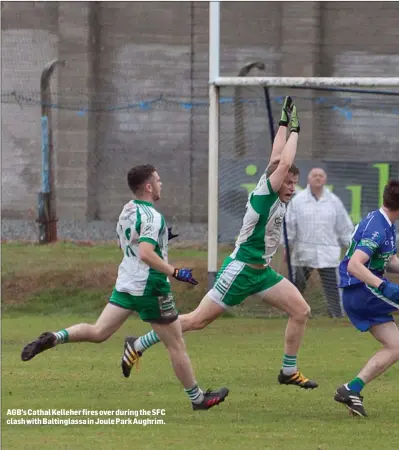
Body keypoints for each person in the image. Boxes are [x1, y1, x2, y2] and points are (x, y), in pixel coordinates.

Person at [122, 97, 318, 390]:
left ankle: (288, 370)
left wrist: (283, 124)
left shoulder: (273, 189)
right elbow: (284, 162)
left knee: (301, 310)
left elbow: (277, 158)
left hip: (261, 273)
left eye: (294, 183)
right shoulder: (265, 192)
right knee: (197, 321)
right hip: (240, 271)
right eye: (288, 183)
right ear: (277, 182)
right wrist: (297, 129)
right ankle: (138, 342)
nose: (291, 187)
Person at [20, 164, 229, 411]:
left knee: (99, 332)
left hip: (126, 282)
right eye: (158, 180)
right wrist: (174, 271)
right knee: (176, 344)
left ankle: (55, 337)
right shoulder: (153, 217)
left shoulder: (127, 210)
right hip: (150, 287)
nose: (161, 184)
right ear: (149, 187)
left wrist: (162, 239)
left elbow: (127, 243)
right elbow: (146, 253)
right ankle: (198, 399)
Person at [334, 180, 399, 417]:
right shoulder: (377, 228)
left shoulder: (386, 223)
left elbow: (388, 260)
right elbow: (354, 265)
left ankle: (351, 389)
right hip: (361, 290)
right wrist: (382, 285)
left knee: (395, 346)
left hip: (362, 290)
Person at [285, 168, 354, 318]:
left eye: (321, 176)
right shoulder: (298, 201)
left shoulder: (334, 201)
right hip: (303, 253)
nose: (318, 178)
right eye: (314, 175)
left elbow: (344, 226)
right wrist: (287, 246)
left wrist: (351, 245)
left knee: (332, 288)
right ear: (309, 179)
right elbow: (290, 225)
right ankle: (293, 313)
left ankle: (336, 315)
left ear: (325, 179)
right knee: (298, 287)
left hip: (328, 255)